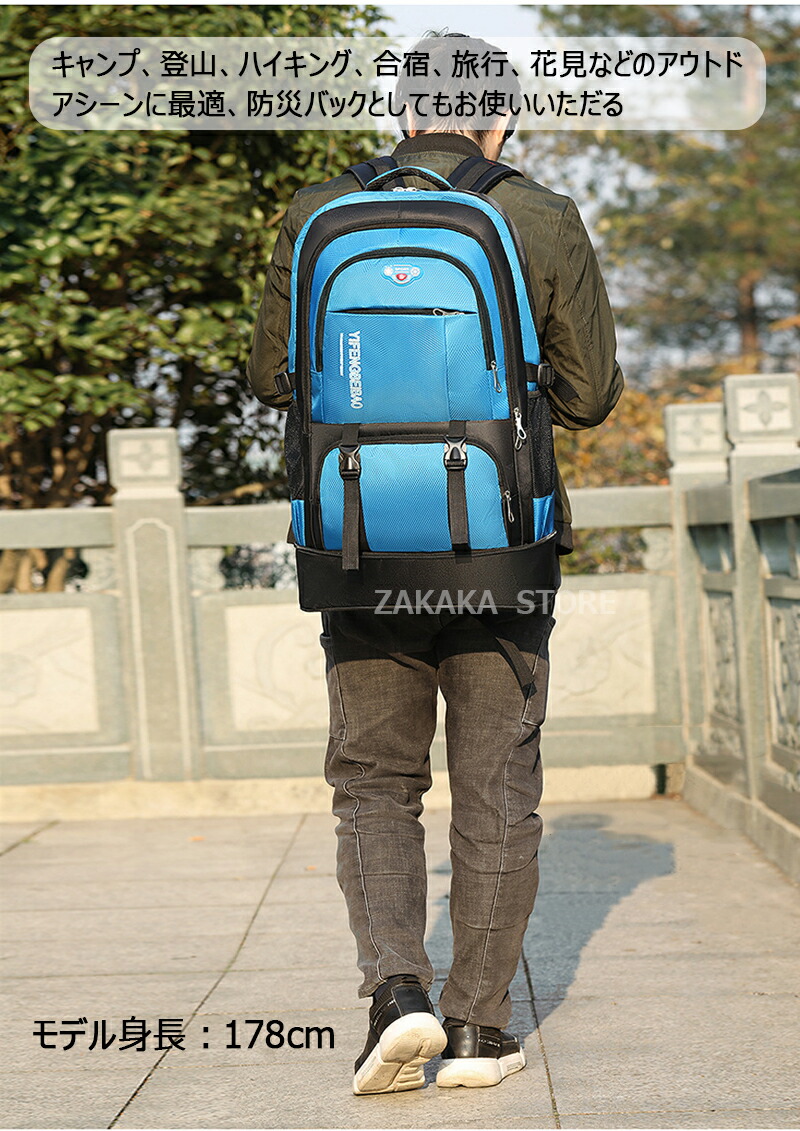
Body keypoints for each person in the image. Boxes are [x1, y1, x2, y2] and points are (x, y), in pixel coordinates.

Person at [247, 32, 624, 1096]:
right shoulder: (537, 213)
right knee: (497, 784)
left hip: (360, 540)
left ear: (403, 112)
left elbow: (273, 377)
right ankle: (476, 1030)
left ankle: (394, 994)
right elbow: (590, 395)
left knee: (373, 779)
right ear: (500, 118)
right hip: (501, 543)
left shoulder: (319, 211)